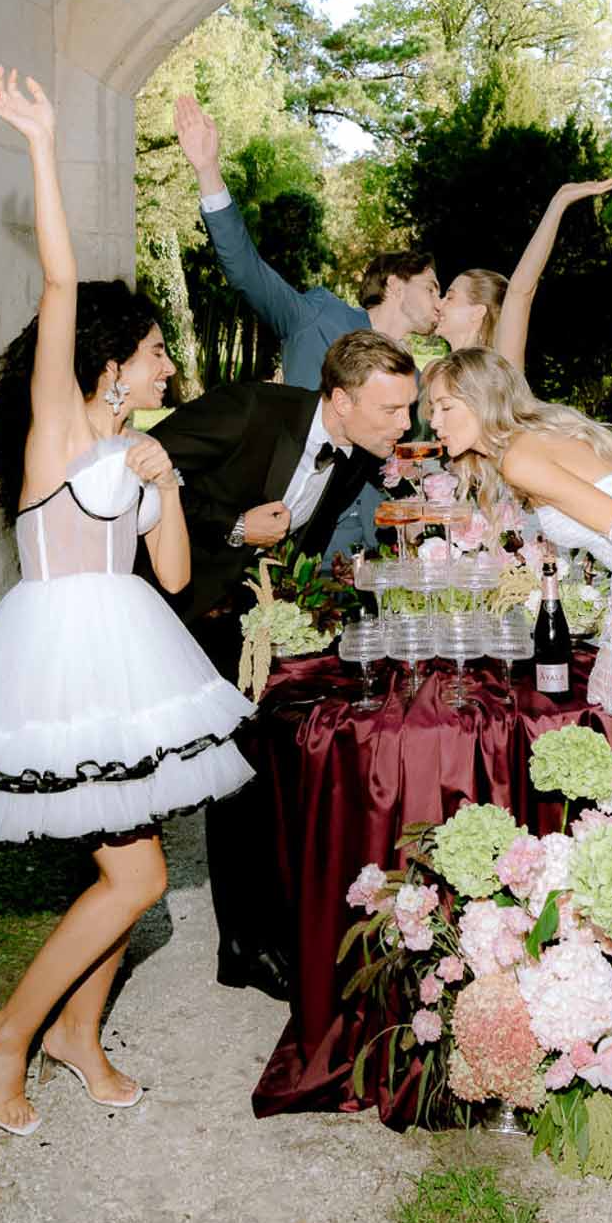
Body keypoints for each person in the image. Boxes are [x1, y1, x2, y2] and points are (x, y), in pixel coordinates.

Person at [0, 68, 256, 1136]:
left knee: (136, 873)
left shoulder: (129, 447)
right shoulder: (55, 429)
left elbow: (180, 576)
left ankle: (74, 1034)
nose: (166, 362)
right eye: (153, 350)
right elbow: (58, 283)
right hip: (58, 662)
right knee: (136, 877)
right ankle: (5, 1033)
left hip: (129, 657)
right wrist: (44, 145)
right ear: (112, 360)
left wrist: (162, 481)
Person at [152, 328, 417, 993]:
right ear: (339, 399)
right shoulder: (251, 410)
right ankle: (245, 944)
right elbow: (147, 468)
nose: (404, 423)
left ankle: (252, 941)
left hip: (255, 612)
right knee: (236, 771)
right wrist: (238, 525)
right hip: (175, 604)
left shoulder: (358, 448)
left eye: (408, 407)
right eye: (391, 410)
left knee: (262, 761)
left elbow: (311, 531)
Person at [424, 348, 612, 826]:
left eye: (445, 407)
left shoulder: (520, 456)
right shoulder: (526, 444)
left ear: (481, 403)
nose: (433, 421)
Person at [174, 94, 438, 556]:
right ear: (396, 284)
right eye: (432, 287)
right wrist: (207, 171)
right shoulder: (315, 316)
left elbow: (392, 465)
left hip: (367, 550)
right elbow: (246, 271)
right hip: (269, 540)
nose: (439, 301)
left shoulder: (412, 379)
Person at [433, 177, 612, 377]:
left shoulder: (499, 367)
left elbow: (520, 291)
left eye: (450, 297)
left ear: (477, 312)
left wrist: (559, 203)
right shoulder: (436, 373)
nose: (439, 303)